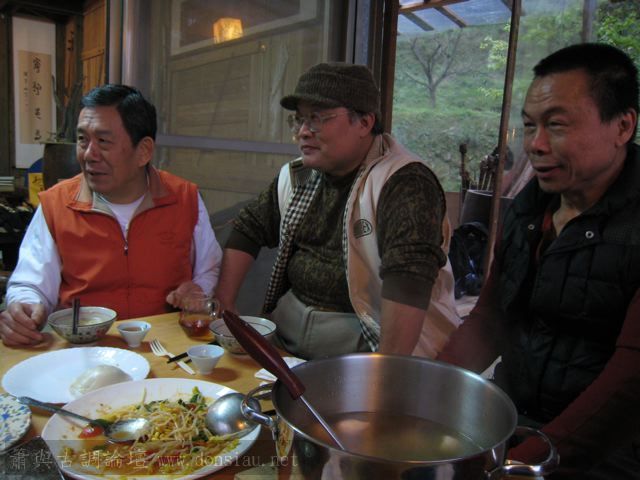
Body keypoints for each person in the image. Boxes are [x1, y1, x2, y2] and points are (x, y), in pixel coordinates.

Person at [437, 43, 640, 479]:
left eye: (557, 125)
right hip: (509, 417)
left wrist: (521, 464)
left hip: (610, 452)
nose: (536, 145)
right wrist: (424, 392)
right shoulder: (531, 207)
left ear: (623, 126)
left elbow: (629, 382)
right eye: (530, 126)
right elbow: (491, 318)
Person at [215, 62, 460, 360]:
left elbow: (408, 281)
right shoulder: (298, 176)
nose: (303, 132)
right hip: (287, 331)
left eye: (317, 118)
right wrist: (225, 306)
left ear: (365, 123)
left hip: (365, 342)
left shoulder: (404, 183)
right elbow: (249, 228)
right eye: (299, 119)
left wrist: (384, 372)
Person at [0, 84, 222, 347]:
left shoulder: (184, 198)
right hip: (84, 350)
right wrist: (24, 307)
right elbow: (31, 284)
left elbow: (209, 267)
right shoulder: (56, 204)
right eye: (82, 139)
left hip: (164, 349)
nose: (89, 154)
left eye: (103, 141)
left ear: (144, 151)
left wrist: (198, 291)